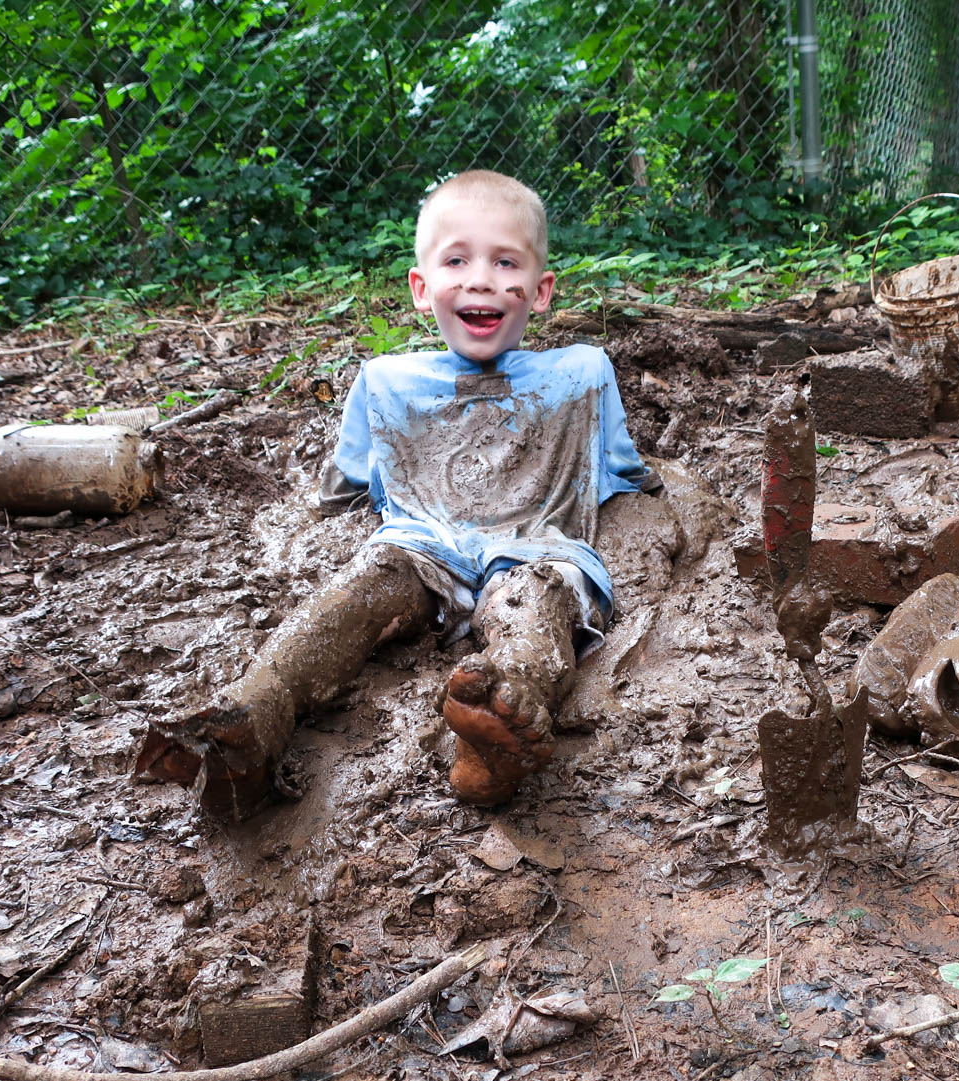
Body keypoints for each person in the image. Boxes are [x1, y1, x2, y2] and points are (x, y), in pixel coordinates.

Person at [136, 170, 657, 819]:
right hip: (419, 550)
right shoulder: (384, 382)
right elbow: (350, 489)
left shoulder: (581, 373)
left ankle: (499, 721)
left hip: (536, 551)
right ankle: (258, 709)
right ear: (421, 287)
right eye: (457, 259)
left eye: (505, 261)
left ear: (541, 290)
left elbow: (625, 475)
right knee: (361, 588)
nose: (481, 278)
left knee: (536, 604)